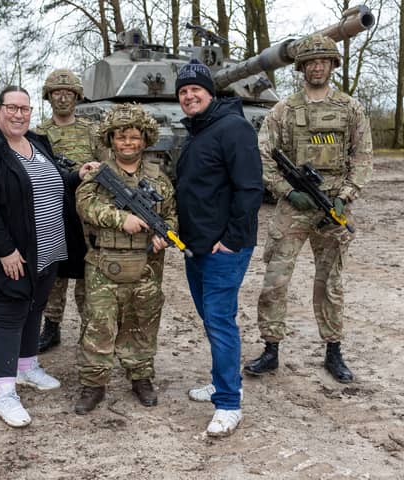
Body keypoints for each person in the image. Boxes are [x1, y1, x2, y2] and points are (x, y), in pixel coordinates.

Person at [0, 86, 99, 428]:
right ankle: (4, 393)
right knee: (6, 314)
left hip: (46, 247)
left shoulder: (36, 143)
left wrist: (76, 175)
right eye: (12, 108)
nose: (19, 114)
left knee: (34, 305)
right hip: (11, 251)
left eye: (24, 108)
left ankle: (26, 367)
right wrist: (5, 250)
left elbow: (48, 181)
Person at [243, 34, 373, 383]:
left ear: (332, 65)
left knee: (330, 282)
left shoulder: (350, 108)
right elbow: (263, 156)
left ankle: (333, 351)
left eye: (323, 61)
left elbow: (363, 158)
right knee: (275, 279)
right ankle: (271, 349)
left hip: (333, 205)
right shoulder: (283, 110)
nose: (317, 67)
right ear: (301, 68)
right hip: (294, 205)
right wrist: (286, 190)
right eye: (311, 62)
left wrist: (345, 196)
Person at [175, 59, 264, 437]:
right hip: (195, 247)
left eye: (195, 89)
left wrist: (229, 239)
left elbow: (250, 189)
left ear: (211, 92)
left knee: (220, 321)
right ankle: (222, 380)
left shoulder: (234, 128)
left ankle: (229, 403)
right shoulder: (197, 132)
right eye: (182, 92)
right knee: (211, 319)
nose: (188, 96)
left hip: (224, 250)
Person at [74, 103, 176, 414]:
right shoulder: (99, 174)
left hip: (145, 267)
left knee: (142, 323)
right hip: (103, 264)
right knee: (98, 325)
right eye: (120, 138)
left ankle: (141, 376)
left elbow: (171, 214)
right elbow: (85, 205)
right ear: (110, 140)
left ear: (145, 140)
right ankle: (93, 384)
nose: (128, 143)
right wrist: (121, 220)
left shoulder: (158, 179)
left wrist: (165, 234)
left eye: (134, 137)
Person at [34, 69, 101, 353]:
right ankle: (51, 327)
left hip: (86, 214)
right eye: (57, 93)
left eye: (69, 93)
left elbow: (105, 167)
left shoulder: (91, 131)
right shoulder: (38, 133)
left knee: (88, 271)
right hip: (53, 212)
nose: (63, 98)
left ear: (77, 97)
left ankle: (90, 328)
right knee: (55, 273)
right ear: (48, 97)